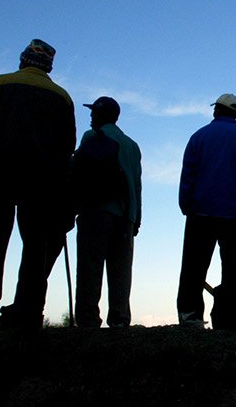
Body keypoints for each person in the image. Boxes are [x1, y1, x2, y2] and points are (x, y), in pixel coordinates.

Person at [0, 39, 76, 328]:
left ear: (22, 60)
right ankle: (28, 313)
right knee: (35, 249)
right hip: (43, 182)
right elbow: (68, 145)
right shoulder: (62, 96)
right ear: (49, 66)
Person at [176, 94, 236, 329]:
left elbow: (188, 175)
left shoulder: (199, 137)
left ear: (216, 111)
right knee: (235, 270)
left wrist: (186, 205)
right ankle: (231, 319)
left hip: (200, 214)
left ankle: (190, 316)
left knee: (193, 267)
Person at [73, 97, 142, 328]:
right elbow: (137, 183)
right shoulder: (131, 144)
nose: (91, 116)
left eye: (94, 112)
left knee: (90, 267)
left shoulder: (91, 138)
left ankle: (87, 319)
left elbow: (79, 173)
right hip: (126, 215)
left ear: (101, 115)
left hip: (95, 210)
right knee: (121, 272)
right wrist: (136, 216)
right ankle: (120, 319)